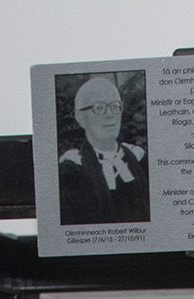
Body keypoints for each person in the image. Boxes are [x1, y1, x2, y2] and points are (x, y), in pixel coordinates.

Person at [56, 72, 150, 226]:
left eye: (115, 106)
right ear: (80, 118)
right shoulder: (70, 172)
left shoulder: (140, 161)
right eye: (99, 108)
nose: (110, 115)